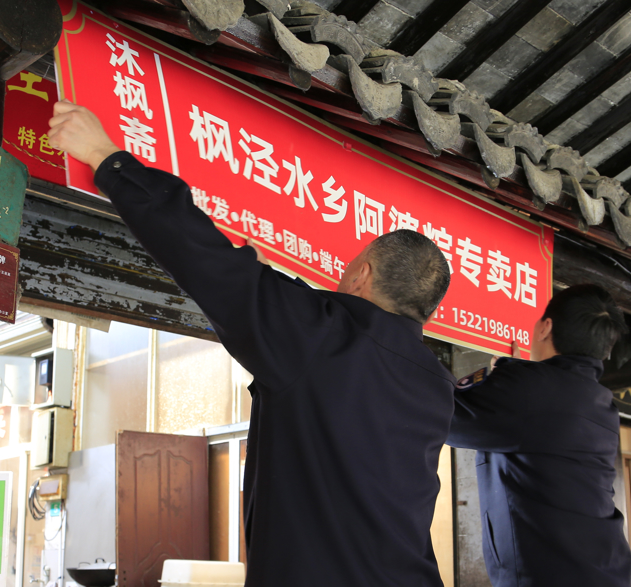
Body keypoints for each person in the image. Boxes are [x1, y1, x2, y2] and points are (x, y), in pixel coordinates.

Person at [48, 101, 455, 587]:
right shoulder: (437, 387)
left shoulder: (321, 335)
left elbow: (207, 259)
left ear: (362, 274)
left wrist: (105, 157)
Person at [447, 284, 631, 587]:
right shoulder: (601, 403)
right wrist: (515, 379)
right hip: (606, 570)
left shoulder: (529, 388)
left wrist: (510, 379)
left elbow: (444, 417)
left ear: (546, 327)